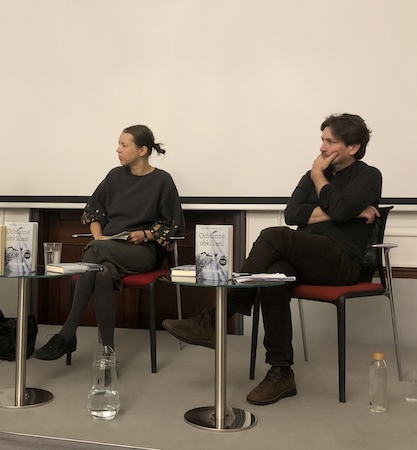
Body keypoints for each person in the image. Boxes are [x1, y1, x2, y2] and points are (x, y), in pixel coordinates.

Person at [163, 113, 382, 405]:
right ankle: (281, 372)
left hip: (342, 263)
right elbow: (293, 213)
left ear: (353, 147)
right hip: (309, 258)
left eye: (330, 142)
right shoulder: (312, 175)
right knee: (274, 278)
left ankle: (215, 318)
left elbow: (337, 210)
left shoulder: (368, 176)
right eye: (322, 140)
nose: (322, 148)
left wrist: (321, 181)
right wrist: (343, 211)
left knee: (273, 235)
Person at [34, 125, 185, 361]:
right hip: (107, 248)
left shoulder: (162, 180)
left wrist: (145, 234)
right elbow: (93, 212)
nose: (118, 149)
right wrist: (99, 238)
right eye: (119, 144)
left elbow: (174, 225)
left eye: (124, 145)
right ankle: (108, 353)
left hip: (142, 252)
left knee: (97, 252)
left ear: (142, 150)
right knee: (102, 273)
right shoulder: (114, 176)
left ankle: (67, 334)